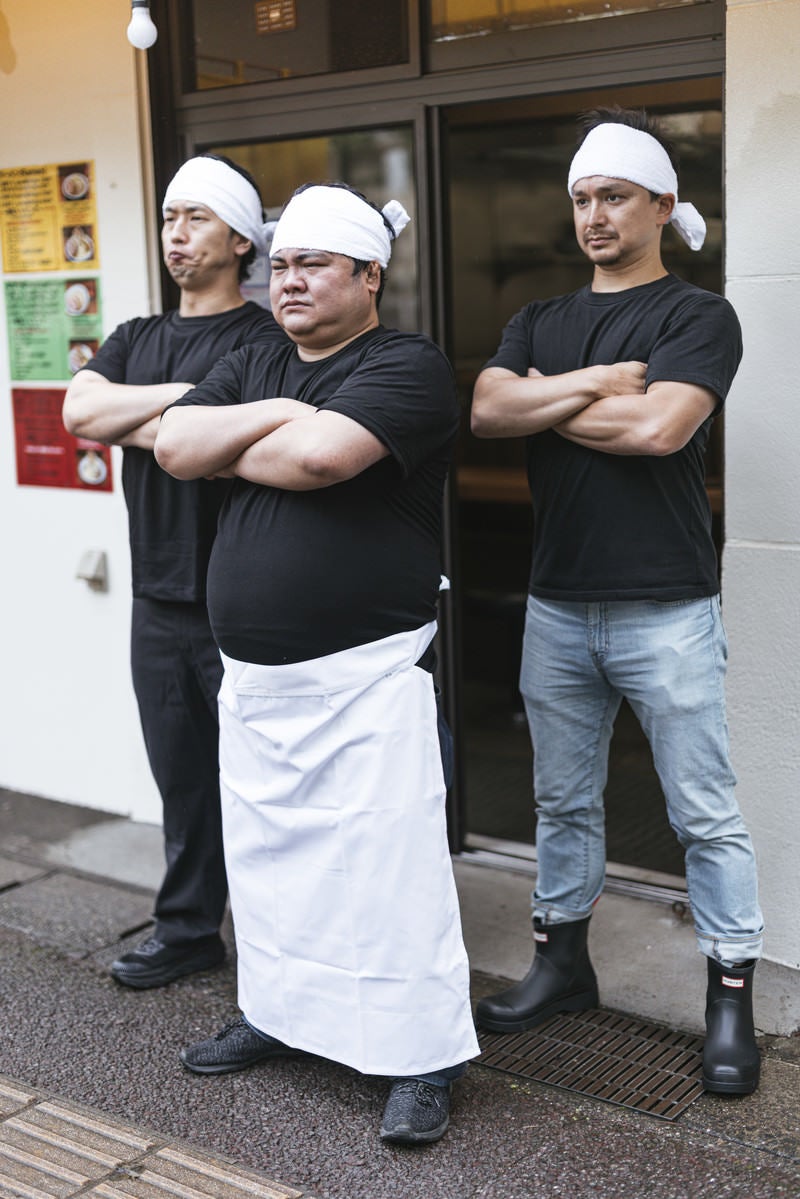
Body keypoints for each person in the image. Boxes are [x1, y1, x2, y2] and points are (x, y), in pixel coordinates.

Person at [154, 182, 479, 1144]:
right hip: (258, 683)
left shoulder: (409, 365)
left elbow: (325, 460)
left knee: (388, 873)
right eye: (280, 264)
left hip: (366, 677)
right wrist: (274, 421)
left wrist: (246, 432)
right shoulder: (258, 350)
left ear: (369, 275)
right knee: (269, 867)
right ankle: (278, 1014)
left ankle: (420, 1054)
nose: (286, 281)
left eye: (312, 264)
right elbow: (174, 443)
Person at [471, 106, 763, 1096]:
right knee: (561, 803)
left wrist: (547, 401)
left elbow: (659, 433)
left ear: (658, 206)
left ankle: (729, 997)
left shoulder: (697, 316)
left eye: (613, 197)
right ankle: (561, 963)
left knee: (702, 814)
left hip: (665, 606)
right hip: (555, 603)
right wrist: (597, 383)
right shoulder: (541, 319)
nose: (593, 214)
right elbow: (483, 407)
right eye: (582, 198)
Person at [62, 155, 286, 989]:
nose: (176, 234)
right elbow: (80, 411)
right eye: (168, 218)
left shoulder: (264, 337)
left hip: (239, 594)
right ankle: (189, 928)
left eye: (194, 218)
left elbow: (228, 438)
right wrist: (195, 401)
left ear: (237, 237)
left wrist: (146, 414)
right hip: (157, 595)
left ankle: (274, 942)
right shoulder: (136, 335)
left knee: (260, 784)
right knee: (182, 778)